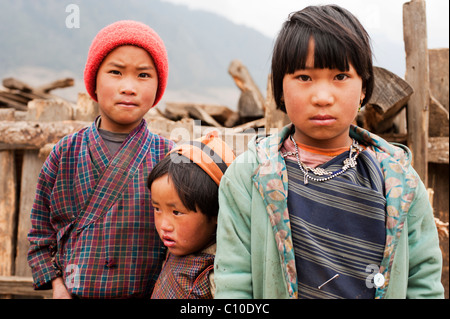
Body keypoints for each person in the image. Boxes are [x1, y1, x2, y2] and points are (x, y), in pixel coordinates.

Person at [214, 5, 444, 299]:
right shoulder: (249, 177)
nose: (322, 97)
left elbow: (423, 281)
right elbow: (233, 282)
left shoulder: (399, 180)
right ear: (280, 90)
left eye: (340, 77)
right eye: (304, 78)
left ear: (363, 89)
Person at [27, 20, 174, 298]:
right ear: (94, 80)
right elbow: (40, 233)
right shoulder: (64, 154)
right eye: (116, 72)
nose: (129, 87)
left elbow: (189, 239)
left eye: (143, 75)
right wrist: (58, 286)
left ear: (158, 88)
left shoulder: (169, 157)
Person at [148, 132, 235, 299]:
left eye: (177, 212)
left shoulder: (218, 276)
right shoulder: (180, 245)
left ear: (217, 211)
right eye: (157, 208)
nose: (164, 225)